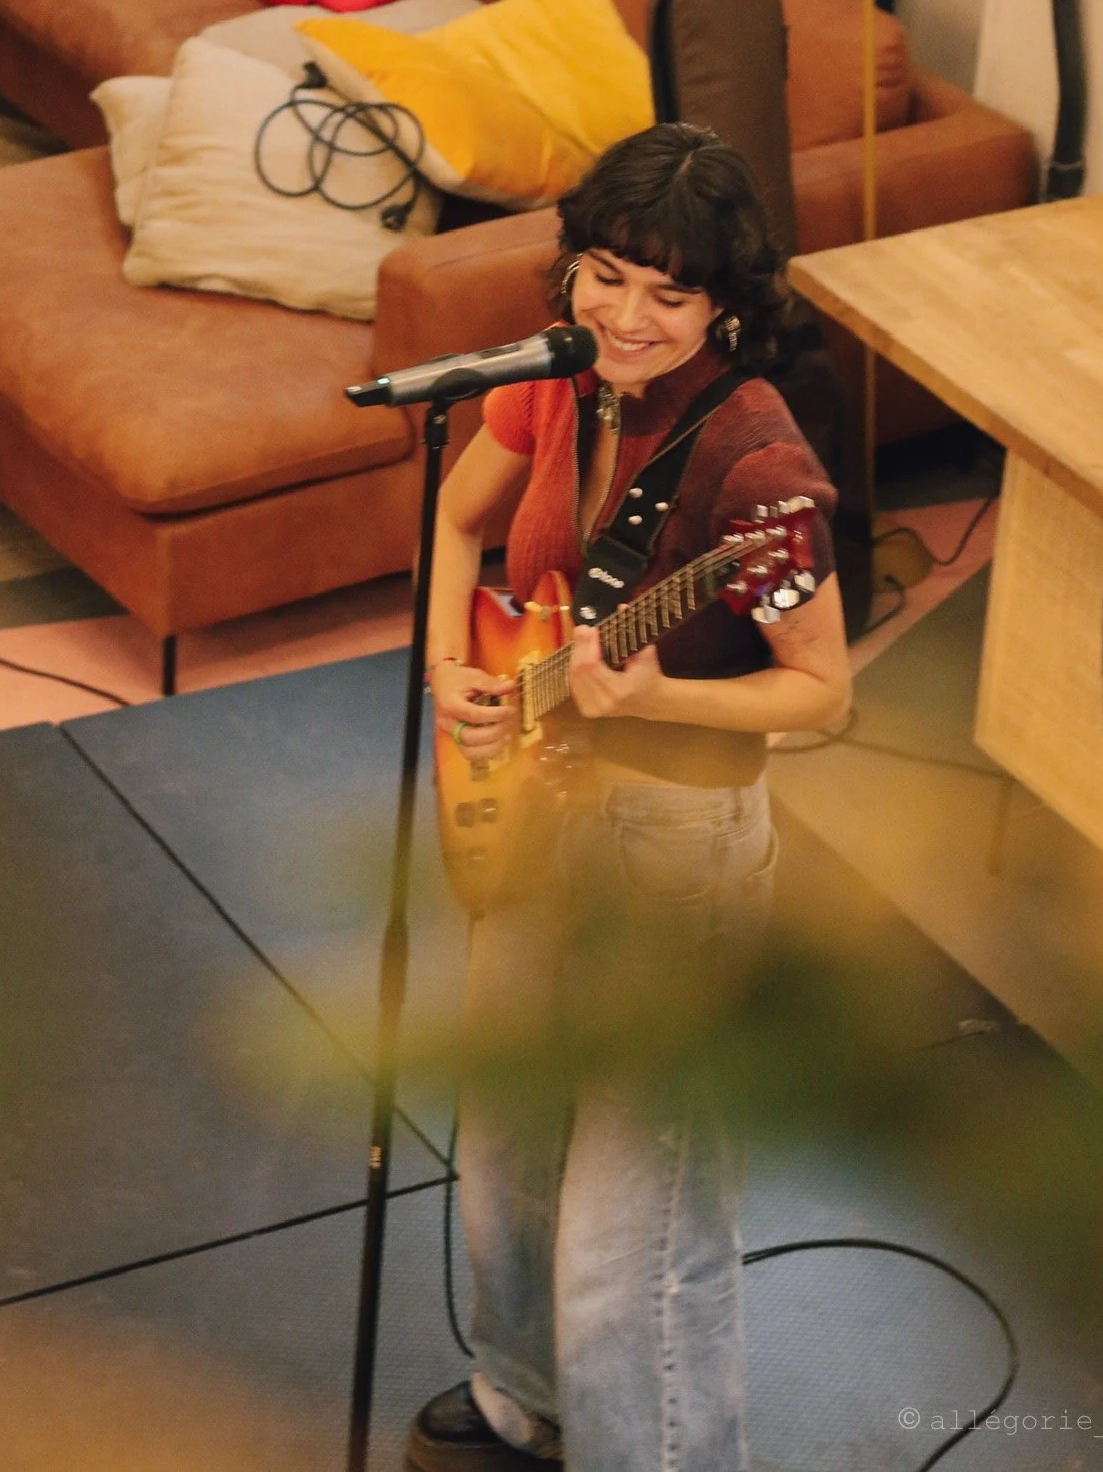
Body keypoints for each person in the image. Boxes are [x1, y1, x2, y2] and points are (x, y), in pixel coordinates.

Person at [407, 123, 851, 1472]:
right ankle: (523, 1400)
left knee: (631, 1229)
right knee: (506, 1149)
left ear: (724, 302)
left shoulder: (760, 472)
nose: (629, 315)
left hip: (677, 850)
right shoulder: (560, 381)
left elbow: (823, 692)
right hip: (539, 805)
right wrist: (450, 667)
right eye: (606, 274)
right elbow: (458, 518)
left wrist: (663, 700)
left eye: (669, 292)